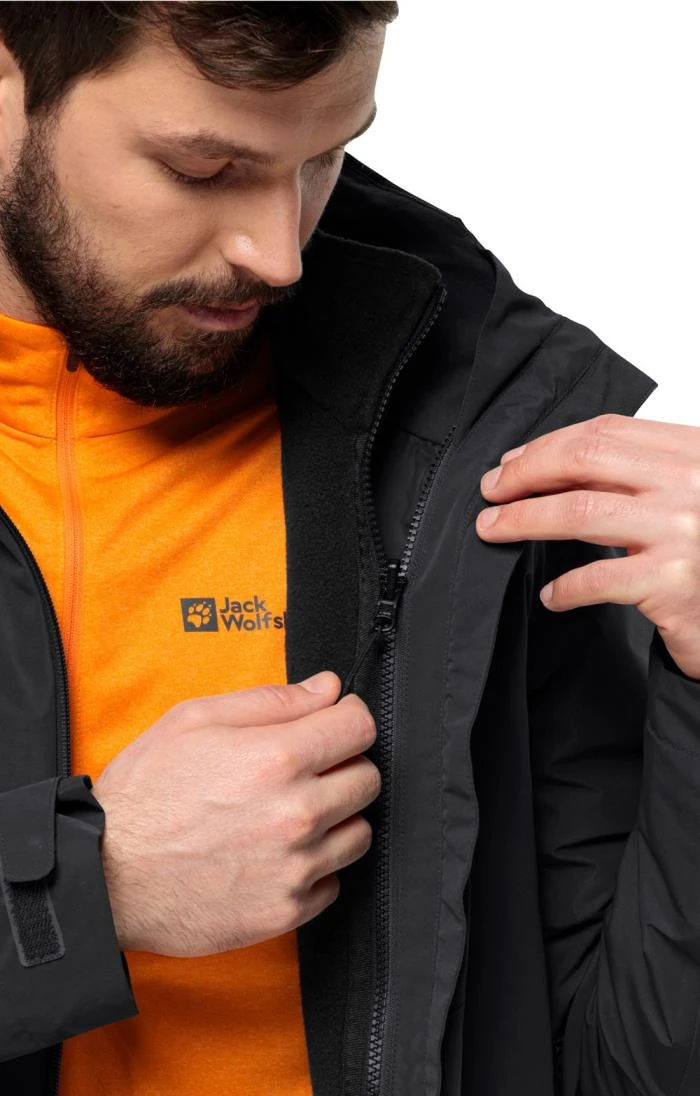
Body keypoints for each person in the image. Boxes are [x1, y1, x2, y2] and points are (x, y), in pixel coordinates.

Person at [0, 4, 698, 1095]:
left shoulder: (477, 435)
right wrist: (86, 892)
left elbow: (619, 1065)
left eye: (324, 158)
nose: (277, 254)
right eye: (204, 168)